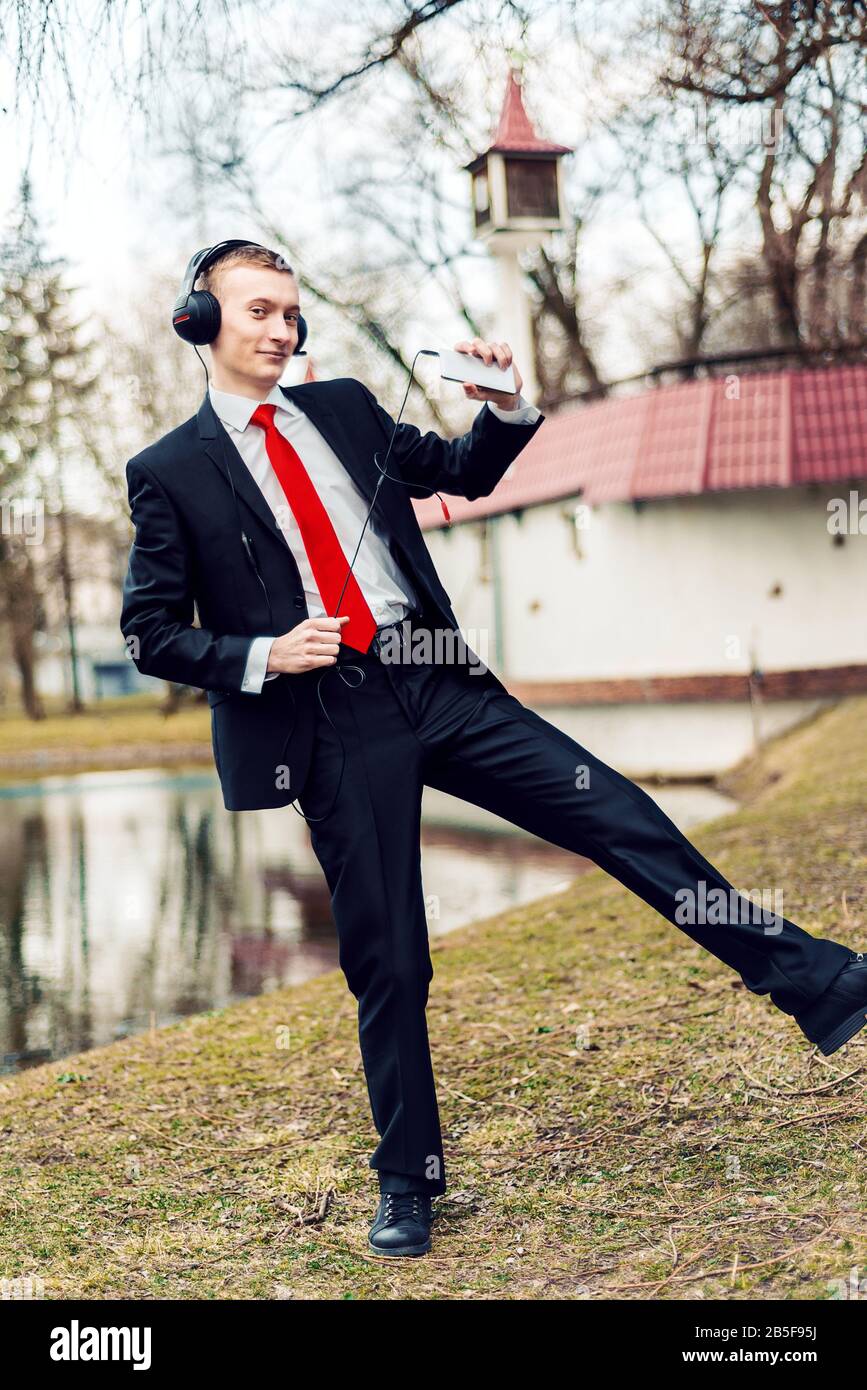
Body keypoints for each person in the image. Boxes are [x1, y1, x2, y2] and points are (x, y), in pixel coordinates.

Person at [120, 241, 866, 1259]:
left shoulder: (343, 408)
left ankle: (814, 980)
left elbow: (464, 471)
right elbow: (150, 630)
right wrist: (259, 652)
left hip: (437, 682)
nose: (282, 328)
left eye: (292, 312)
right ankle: (409, 1176)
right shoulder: (167, 471)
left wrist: (507, 405)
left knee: (618, 813)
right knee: (391, 956)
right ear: (197, 319)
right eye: (258, 309)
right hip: (332, 718)